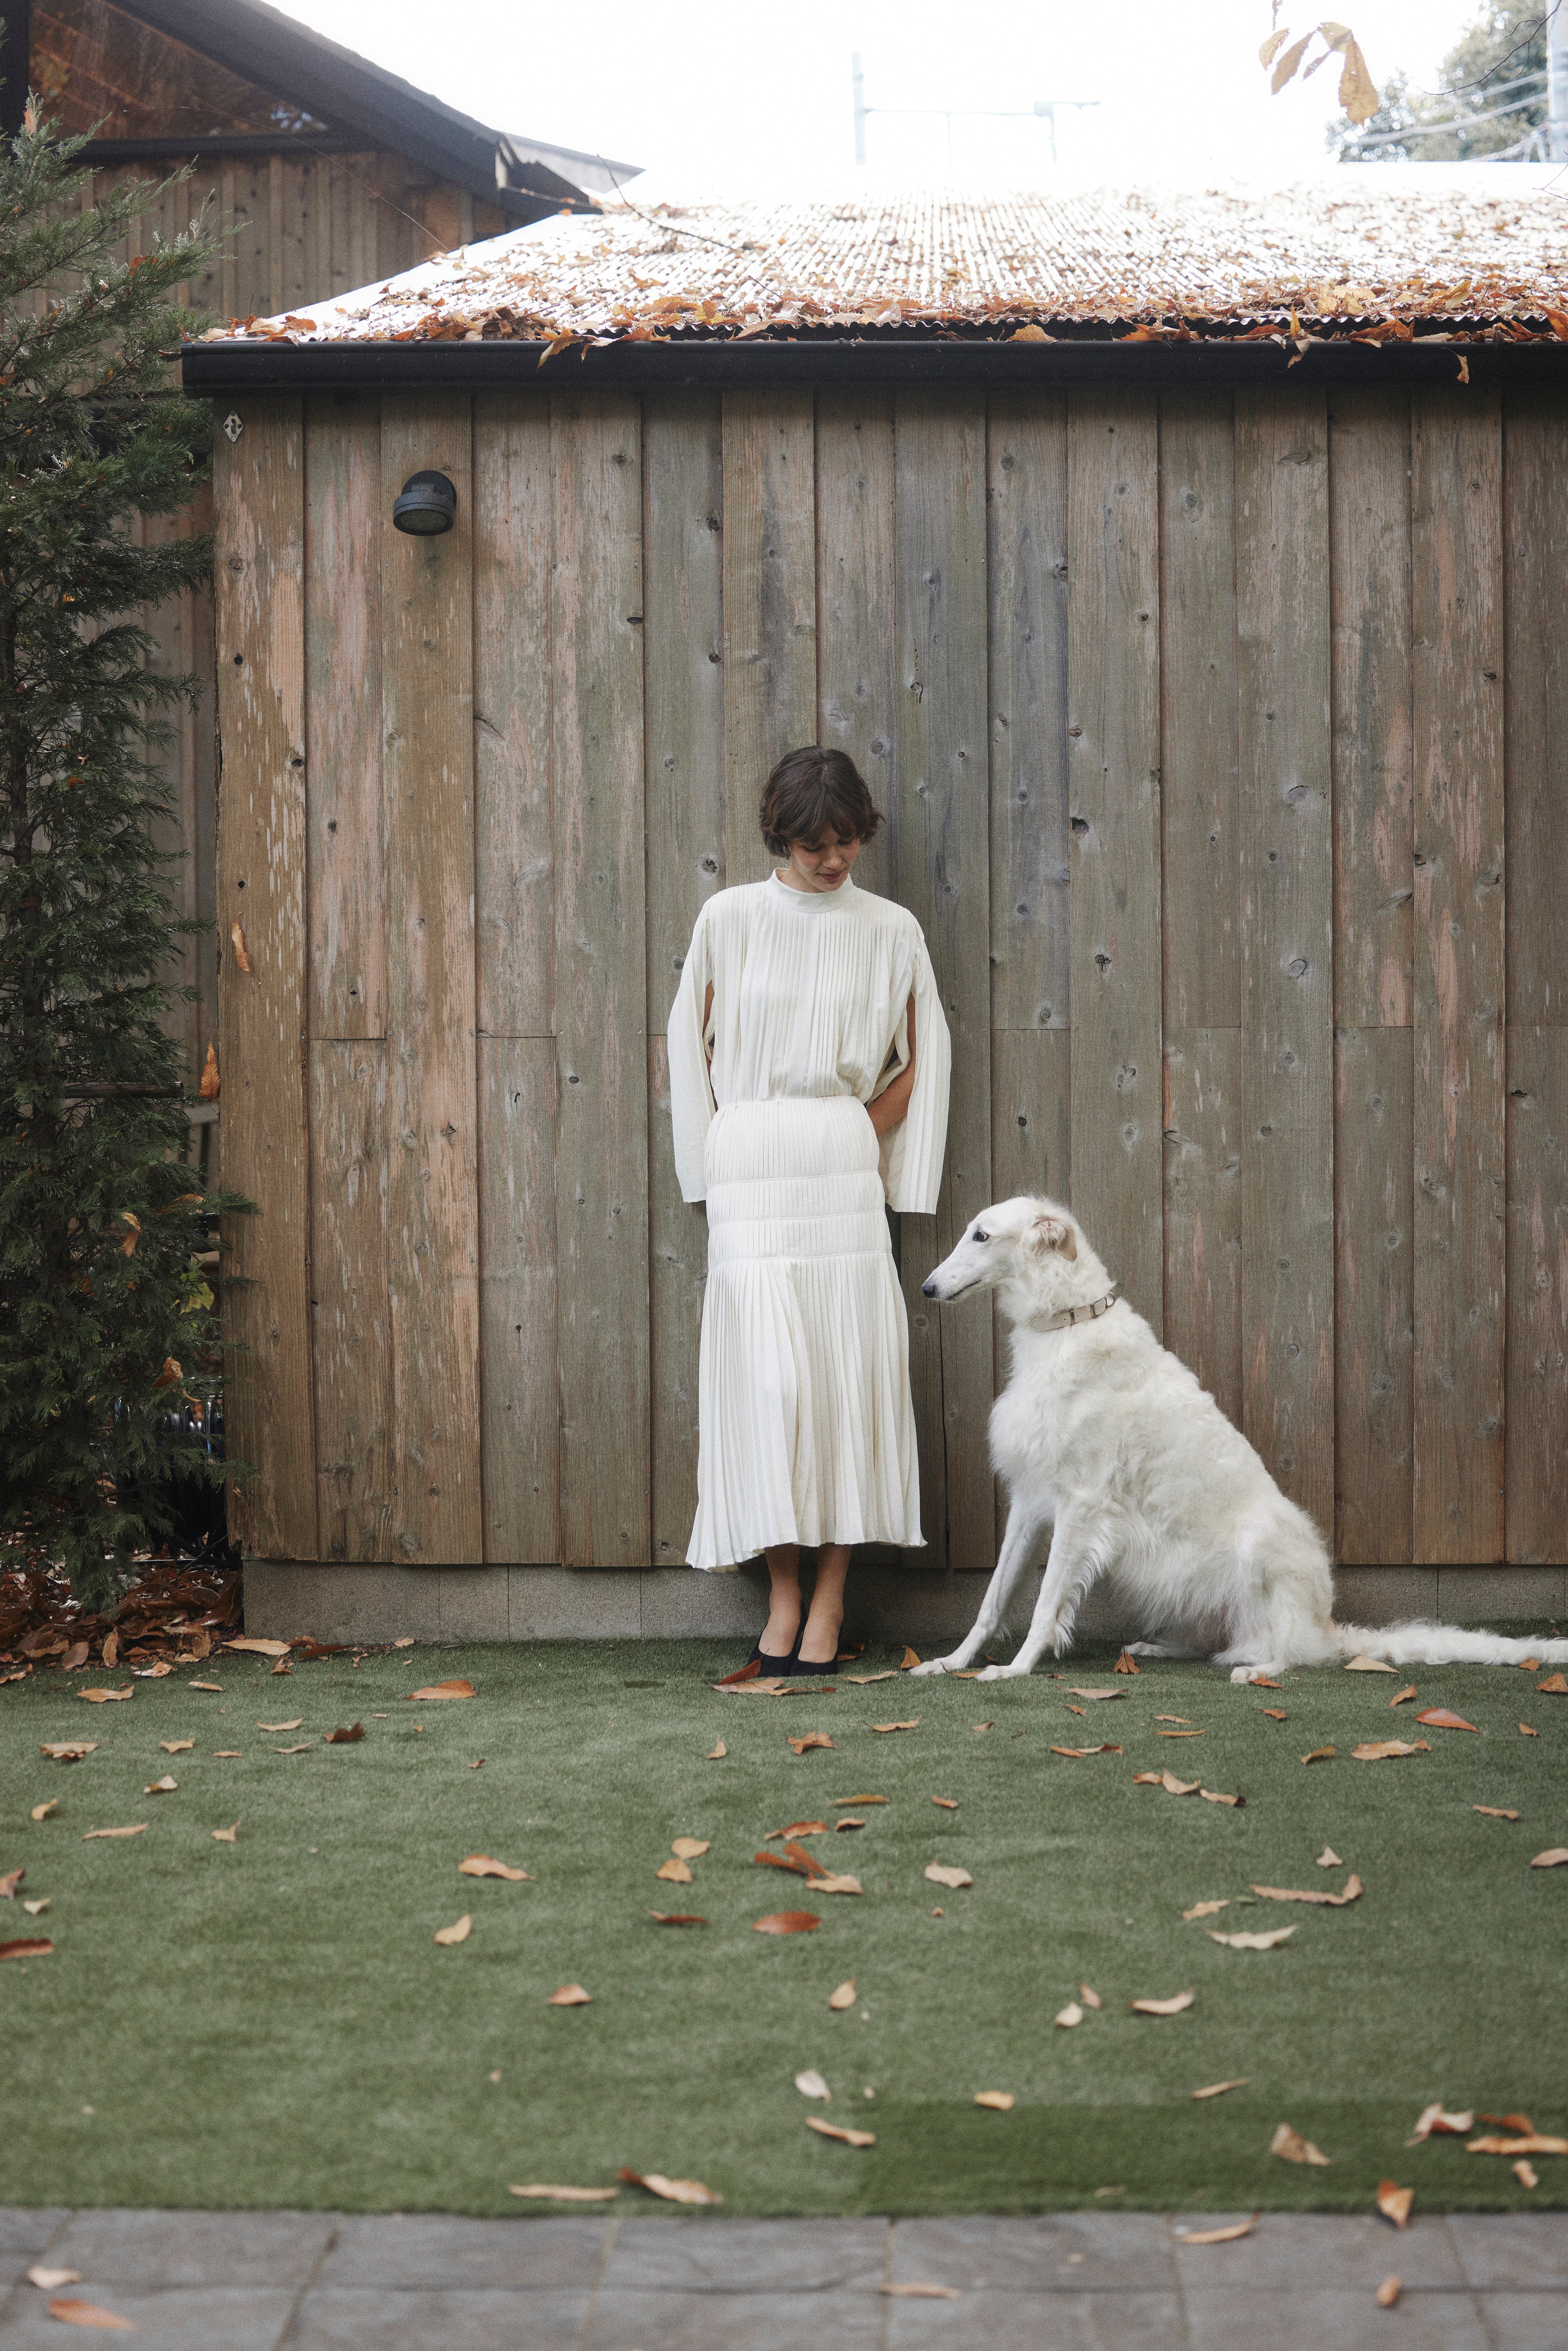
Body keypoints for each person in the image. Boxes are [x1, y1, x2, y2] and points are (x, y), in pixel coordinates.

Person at [666, 745, 952, 1673]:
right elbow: (689, 1046)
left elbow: (920, 1057)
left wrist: (857, 1135)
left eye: (844, 840)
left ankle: (830, 1595)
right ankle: (781, 1593)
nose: (830, 859)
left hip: (838, 1170)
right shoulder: (729, 918)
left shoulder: (891, 929)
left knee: (841, 1384)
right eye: (811, 843)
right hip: (750, 1168)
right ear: (778, 836)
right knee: (768, 1388)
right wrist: (711, 1162)